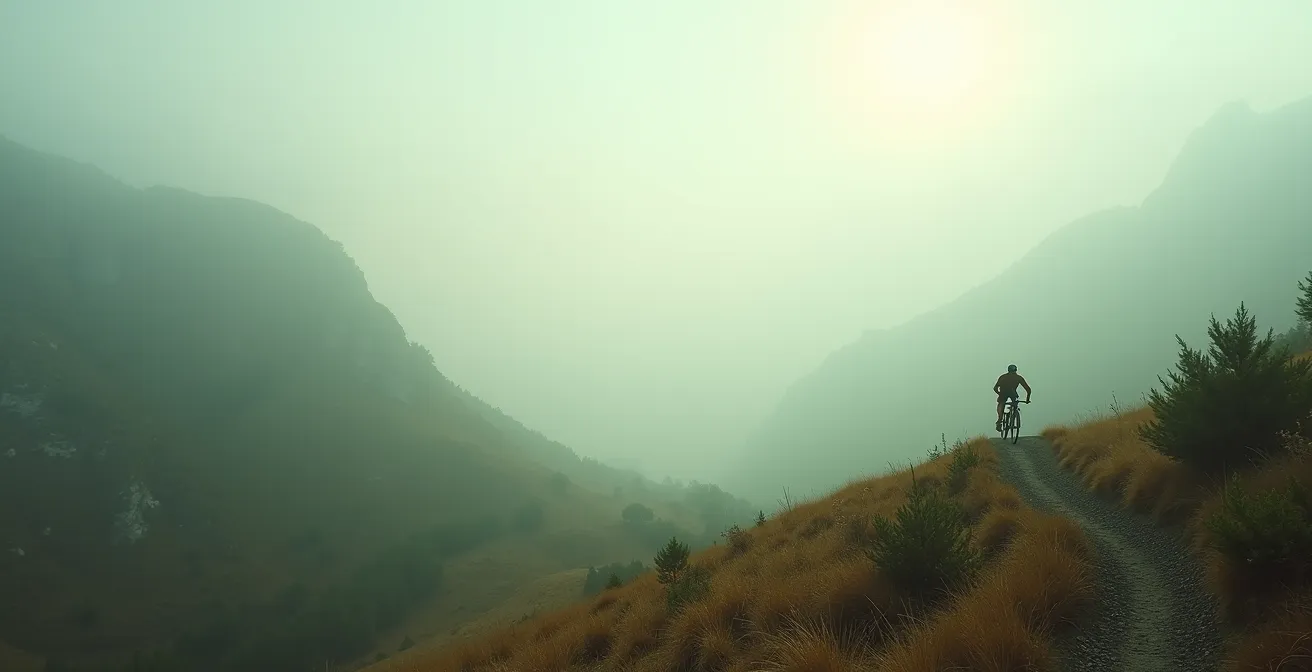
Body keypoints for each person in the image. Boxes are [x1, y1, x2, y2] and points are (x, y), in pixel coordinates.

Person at [994, 364, 1032, 432]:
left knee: (1001, 404)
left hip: (1003, 393)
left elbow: (995, 388)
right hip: (1013, 394)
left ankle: (1000, 420)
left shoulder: (1003, 377)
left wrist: (999, 393)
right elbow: (1028, 389)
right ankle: (1012, 420)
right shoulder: (1018, 378)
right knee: (1014, 405)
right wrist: (1027, 399)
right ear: (1016, 370)